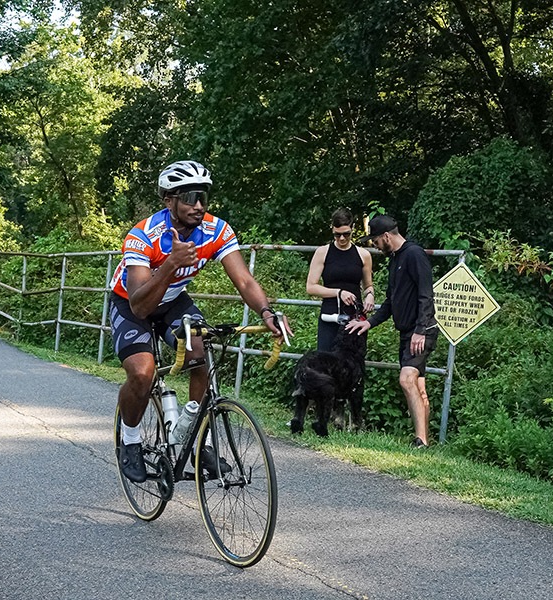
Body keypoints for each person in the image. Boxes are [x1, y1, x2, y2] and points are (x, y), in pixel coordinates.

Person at [109, 160, 290, 482]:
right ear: (169, 200)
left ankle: (200, 440)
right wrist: (170, 264)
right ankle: (131, 441)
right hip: (131, 302)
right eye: (190, 197)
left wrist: (266, 311)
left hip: (173, 301)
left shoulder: (215, 230)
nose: (199, 205)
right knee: (141, 373)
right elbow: (139, 306)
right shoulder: (143, 236)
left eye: (203, 196)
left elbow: (245, 282)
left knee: (199, 354)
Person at [345, 215, 438, 448]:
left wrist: (420, 330)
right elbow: (390, 302)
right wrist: (369, 323)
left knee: (407, 379)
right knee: (418, 385)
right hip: (408, 330)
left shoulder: (414, 255)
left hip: (421, 330)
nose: (375, 246)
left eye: (375, 241)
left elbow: (426, 295)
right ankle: (425, 439)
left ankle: (421, 441)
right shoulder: (396, 259)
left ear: (386, 236)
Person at [305, 207, 374, 351]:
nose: (342, 238)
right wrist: (339, 292)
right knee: (325, 362)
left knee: (352, 363)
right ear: (332, 230)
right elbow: (311, 287)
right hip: (330, 314)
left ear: (353, 228)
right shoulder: (322, 252)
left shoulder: (364, 255)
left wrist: (370, 296)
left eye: (346, 234)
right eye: (337, 235)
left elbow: (368, 285)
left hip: (355, 316)